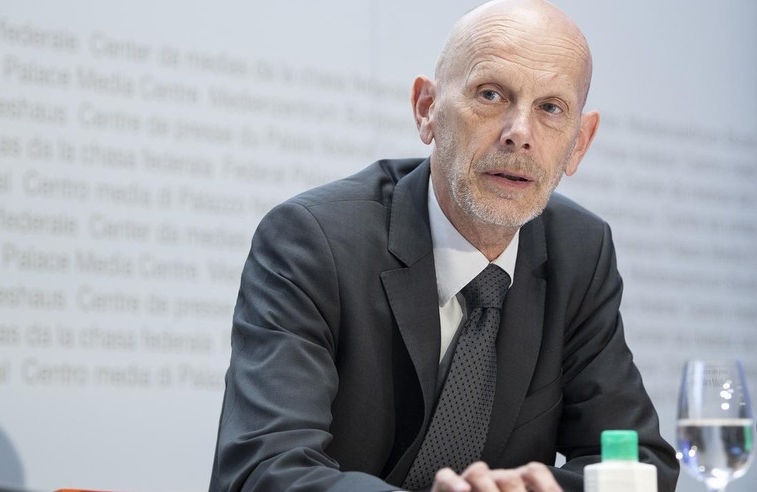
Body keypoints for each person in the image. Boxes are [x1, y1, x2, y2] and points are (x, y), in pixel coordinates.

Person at [209, 0, 679, 490]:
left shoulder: (580, 251)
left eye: (550, 108)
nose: (520, 134)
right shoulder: (310, 241)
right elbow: (263, 468)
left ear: (579, 142)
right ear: (426, 109)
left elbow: (638, 462)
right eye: (491, 94)